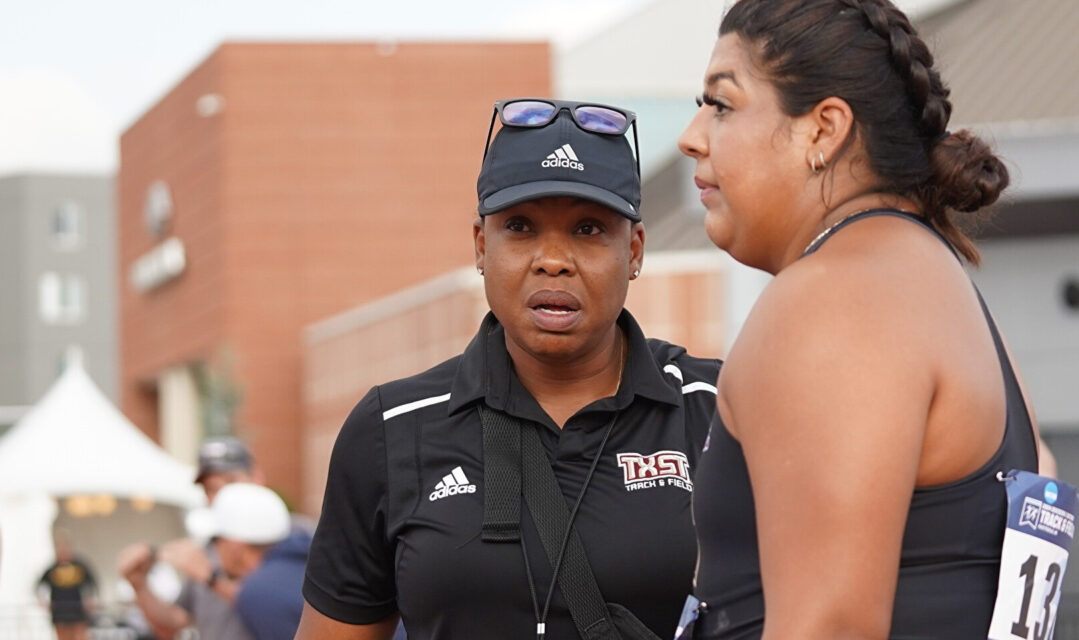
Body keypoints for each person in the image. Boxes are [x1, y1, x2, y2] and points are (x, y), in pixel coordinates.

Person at [676, 0, 1056, 637]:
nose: (692, 136)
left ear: (823, 129)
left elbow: (830, 626)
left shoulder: (834, 298)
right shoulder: (927, 283)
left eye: (721, 104)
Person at [297, 97, 720, 639]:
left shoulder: (718, 406)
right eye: (520, 227)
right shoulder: (392, 428)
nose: (552, 258)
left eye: (589, 230)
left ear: (634, 250)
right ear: (480, 246)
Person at [118, 437, 258, 640]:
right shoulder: (207, 551)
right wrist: (139, 585)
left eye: (230, 482)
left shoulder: (292, 542)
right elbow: (173, 623)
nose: (222, 495)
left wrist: (213, 580)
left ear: (256, 478)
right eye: (211, 488)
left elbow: (282, 610)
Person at [210, 483, 312, 640]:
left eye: (216, 541)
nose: (214, 550)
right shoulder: (309, 563)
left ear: (234, 546)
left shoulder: (259, 591)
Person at [36, 529, 98, 640]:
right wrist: (43, 602)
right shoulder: (52, 569)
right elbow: (38, 585)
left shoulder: (79, 566)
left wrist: (91, 599)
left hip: (77, 611)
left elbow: (93, 583)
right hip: (60, 612)